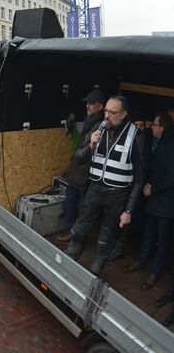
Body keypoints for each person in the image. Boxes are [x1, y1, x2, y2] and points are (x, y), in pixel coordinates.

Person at [65, 96, 147, 275]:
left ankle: (96, 269)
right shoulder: (98, 128)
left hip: (118, 194)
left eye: (112, 112)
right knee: (79, 227)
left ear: (124, 114)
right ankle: (71, 257)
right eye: (106, 111)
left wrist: (129, 210)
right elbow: (79, 159)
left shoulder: (136, 136)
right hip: (94, 188)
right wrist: (90, 146)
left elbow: (140, 178)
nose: (107, 116)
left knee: (106, 235)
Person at [122, 113, 174, 289]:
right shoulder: (155, 142)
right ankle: (141, 261)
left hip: (166, 202)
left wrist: (153, 187)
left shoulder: (170, 146)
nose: (152, 127)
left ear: (162, 128)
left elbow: (171, 176)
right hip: (153, 199)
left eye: (155, 124)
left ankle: (154, 273)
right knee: (149, 233)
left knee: (162, 241)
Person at [58, 89, 105, 243]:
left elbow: (93, 153)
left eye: (91, 104)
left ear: (100, 106)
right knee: (69, 206)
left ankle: (78, 239)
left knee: (83, 211)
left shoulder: (100, 126)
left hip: (86, 177)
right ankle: (75, 235)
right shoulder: (89, 121)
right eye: (87, 103)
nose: (87, 106)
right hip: (76, 175)